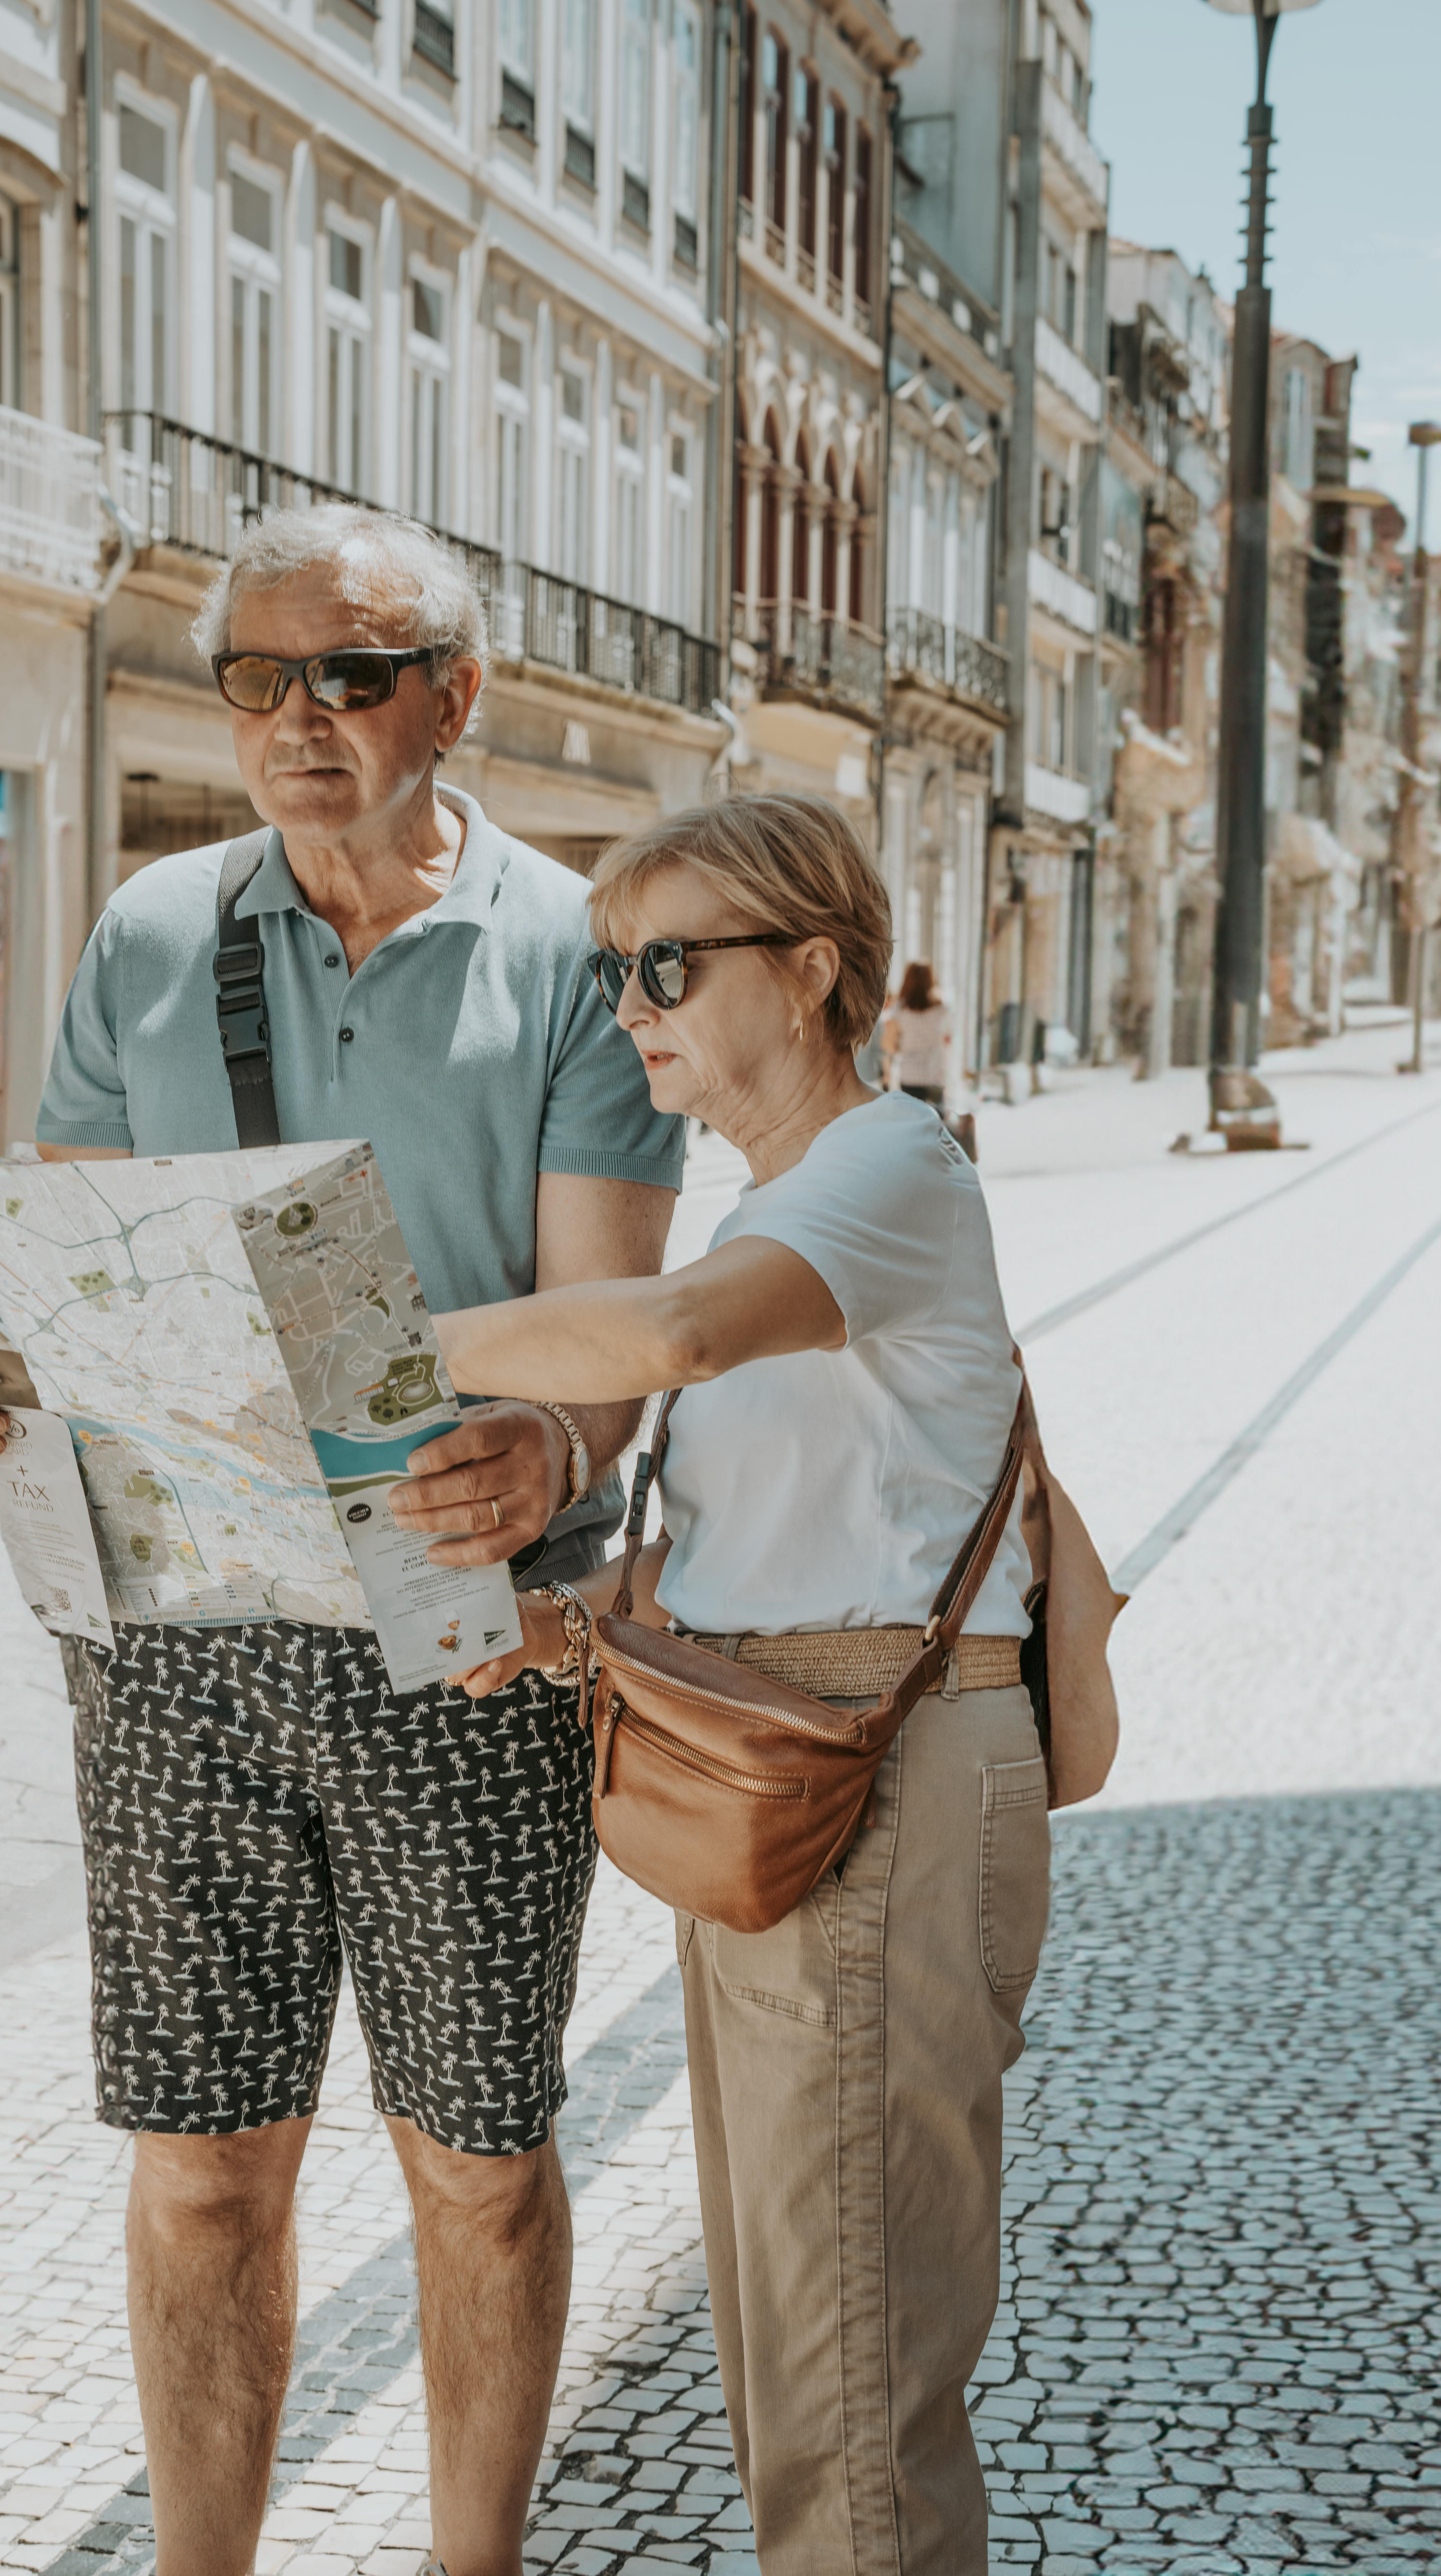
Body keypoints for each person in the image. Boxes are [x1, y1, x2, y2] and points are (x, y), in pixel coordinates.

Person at [0, 505, 683, 2576]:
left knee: (477, 2161)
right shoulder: (150, 933)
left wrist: (553, 1438)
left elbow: (611, 1331)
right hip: (174, 1645)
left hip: (459, 1637)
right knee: (203, 2171)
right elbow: (55, 1280)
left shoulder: (582, 953)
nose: (296, 721)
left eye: (349, 674)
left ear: (455, 693)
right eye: (254, 679)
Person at [434, 793, 1046, 2576]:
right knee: (802, 2359)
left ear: (818, 968)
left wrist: (378, 1344)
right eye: (614, 966)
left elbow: (671, 1335)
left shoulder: (884, 1169)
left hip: (876, 1783)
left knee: (849, 2400)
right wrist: (571, 1637)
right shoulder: (789, 1196)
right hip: (802, 1775)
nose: (632, 1003)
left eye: (671, 963)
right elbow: (783, 1527)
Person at [883, 956, 957, 1116]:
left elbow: (889, 1044)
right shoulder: (942, 1009)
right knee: (936, 1123)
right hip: (936, 1076)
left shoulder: (900, 1011)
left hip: (910, 1077)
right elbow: (949, 1039)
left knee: (912, 1123)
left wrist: (902, 1047)